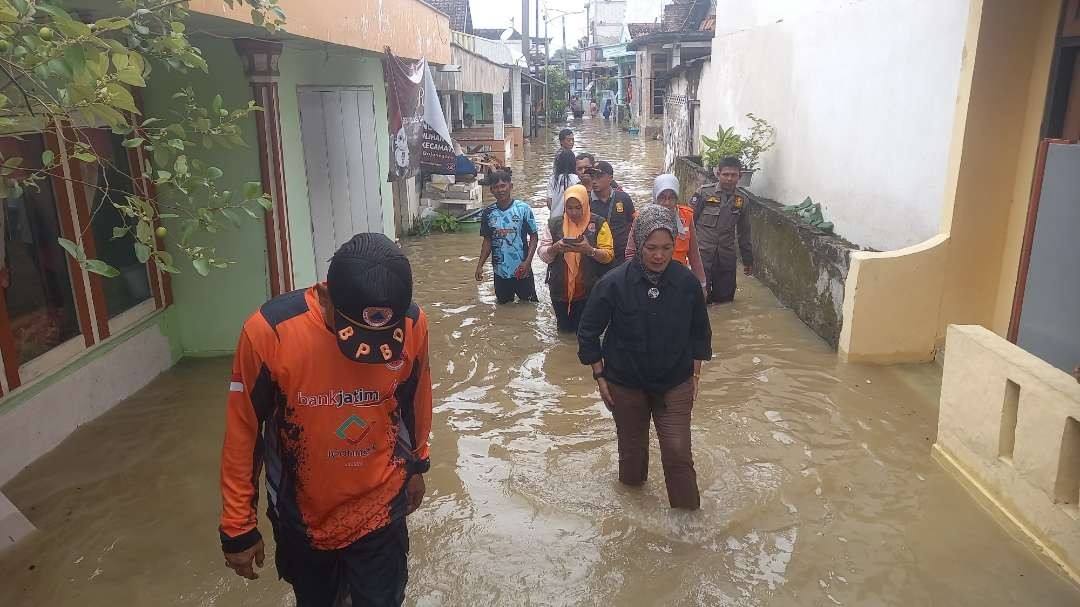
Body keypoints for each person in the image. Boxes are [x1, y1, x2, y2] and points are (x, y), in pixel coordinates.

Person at [219, 233, 432, 607]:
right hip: (303, 516)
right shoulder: (270, 332)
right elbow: (243, 430)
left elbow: (415, 400)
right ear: (328, 295)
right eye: (357, 335)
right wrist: (238, 526)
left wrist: (417, 464)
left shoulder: (413, 323)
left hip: (381, 508)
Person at [577, 204, 712, 509]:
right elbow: (588, 331)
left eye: (666, 248)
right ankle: (632, 514)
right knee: (632, 454)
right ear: (638, 244)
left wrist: (695, 376)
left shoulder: (687, 283)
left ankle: (688, 524)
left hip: (675, 382)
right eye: (651, 248)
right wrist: (600, 376)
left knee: (678, 452)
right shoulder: (613, 283)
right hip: (625, 383)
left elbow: (699, 333)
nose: (659, 255)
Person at [539, 184, 614, 332]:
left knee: (586, 332)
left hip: (590, 291)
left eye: (578, 207)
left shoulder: (599, 224)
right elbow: (543, 254)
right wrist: (555, 248)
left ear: (586, 205)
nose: (573, 212)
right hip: (560, 291)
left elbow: (609, 256)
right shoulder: (554, 224)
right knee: (564, 331)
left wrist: (589, 250)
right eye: (569, 207)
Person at [624, 174, 706, 290]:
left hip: (678, 278)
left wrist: (702, 285)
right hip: (648, 279)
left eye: (671, 197)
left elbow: (694, 256)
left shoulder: (686, 216)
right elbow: (630, 253)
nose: (667, 203)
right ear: (655, 197)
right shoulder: (642, 217)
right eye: (662, 197)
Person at [690, 156, 754, 303]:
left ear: (740, 176)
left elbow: (744, 232)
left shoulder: (742, 200)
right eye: (725, 174)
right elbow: (688, 224)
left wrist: (748, 260)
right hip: (702, 257)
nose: (729, 179)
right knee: (699, 299)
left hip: (726, 258)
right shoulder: (704, 193)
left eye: (733, 175)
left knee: (725, 301)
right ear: (718, 174)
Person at [475, 170, 540, 304]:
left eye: (503, 186)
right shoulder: (488, 213)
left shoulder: (523, 209)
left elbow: (534, 236)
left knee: (529, 306)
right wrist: (480, 265)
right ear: (491, 190)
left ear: (510, 186)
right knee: (503, 308)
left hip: (522, 270)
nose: (500, 190)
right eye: (496, 187)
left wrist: (527, 262)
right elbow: (487, 241)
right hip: (500, 272)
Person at [590, 161, 635, 268]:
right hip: (595, 257)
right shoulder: (586, 201)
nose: (594, 181)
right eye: (592, 176)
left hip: (621, 258)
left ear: (610, 178)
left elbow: (634, 225)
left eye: (599, 176)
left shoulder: (623, 198)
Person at [547, 149, 580, 217]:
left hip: (554, 219)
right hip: (570, 218)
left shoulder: (552, 179)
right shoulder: (576, 179)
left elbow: (549, 202)